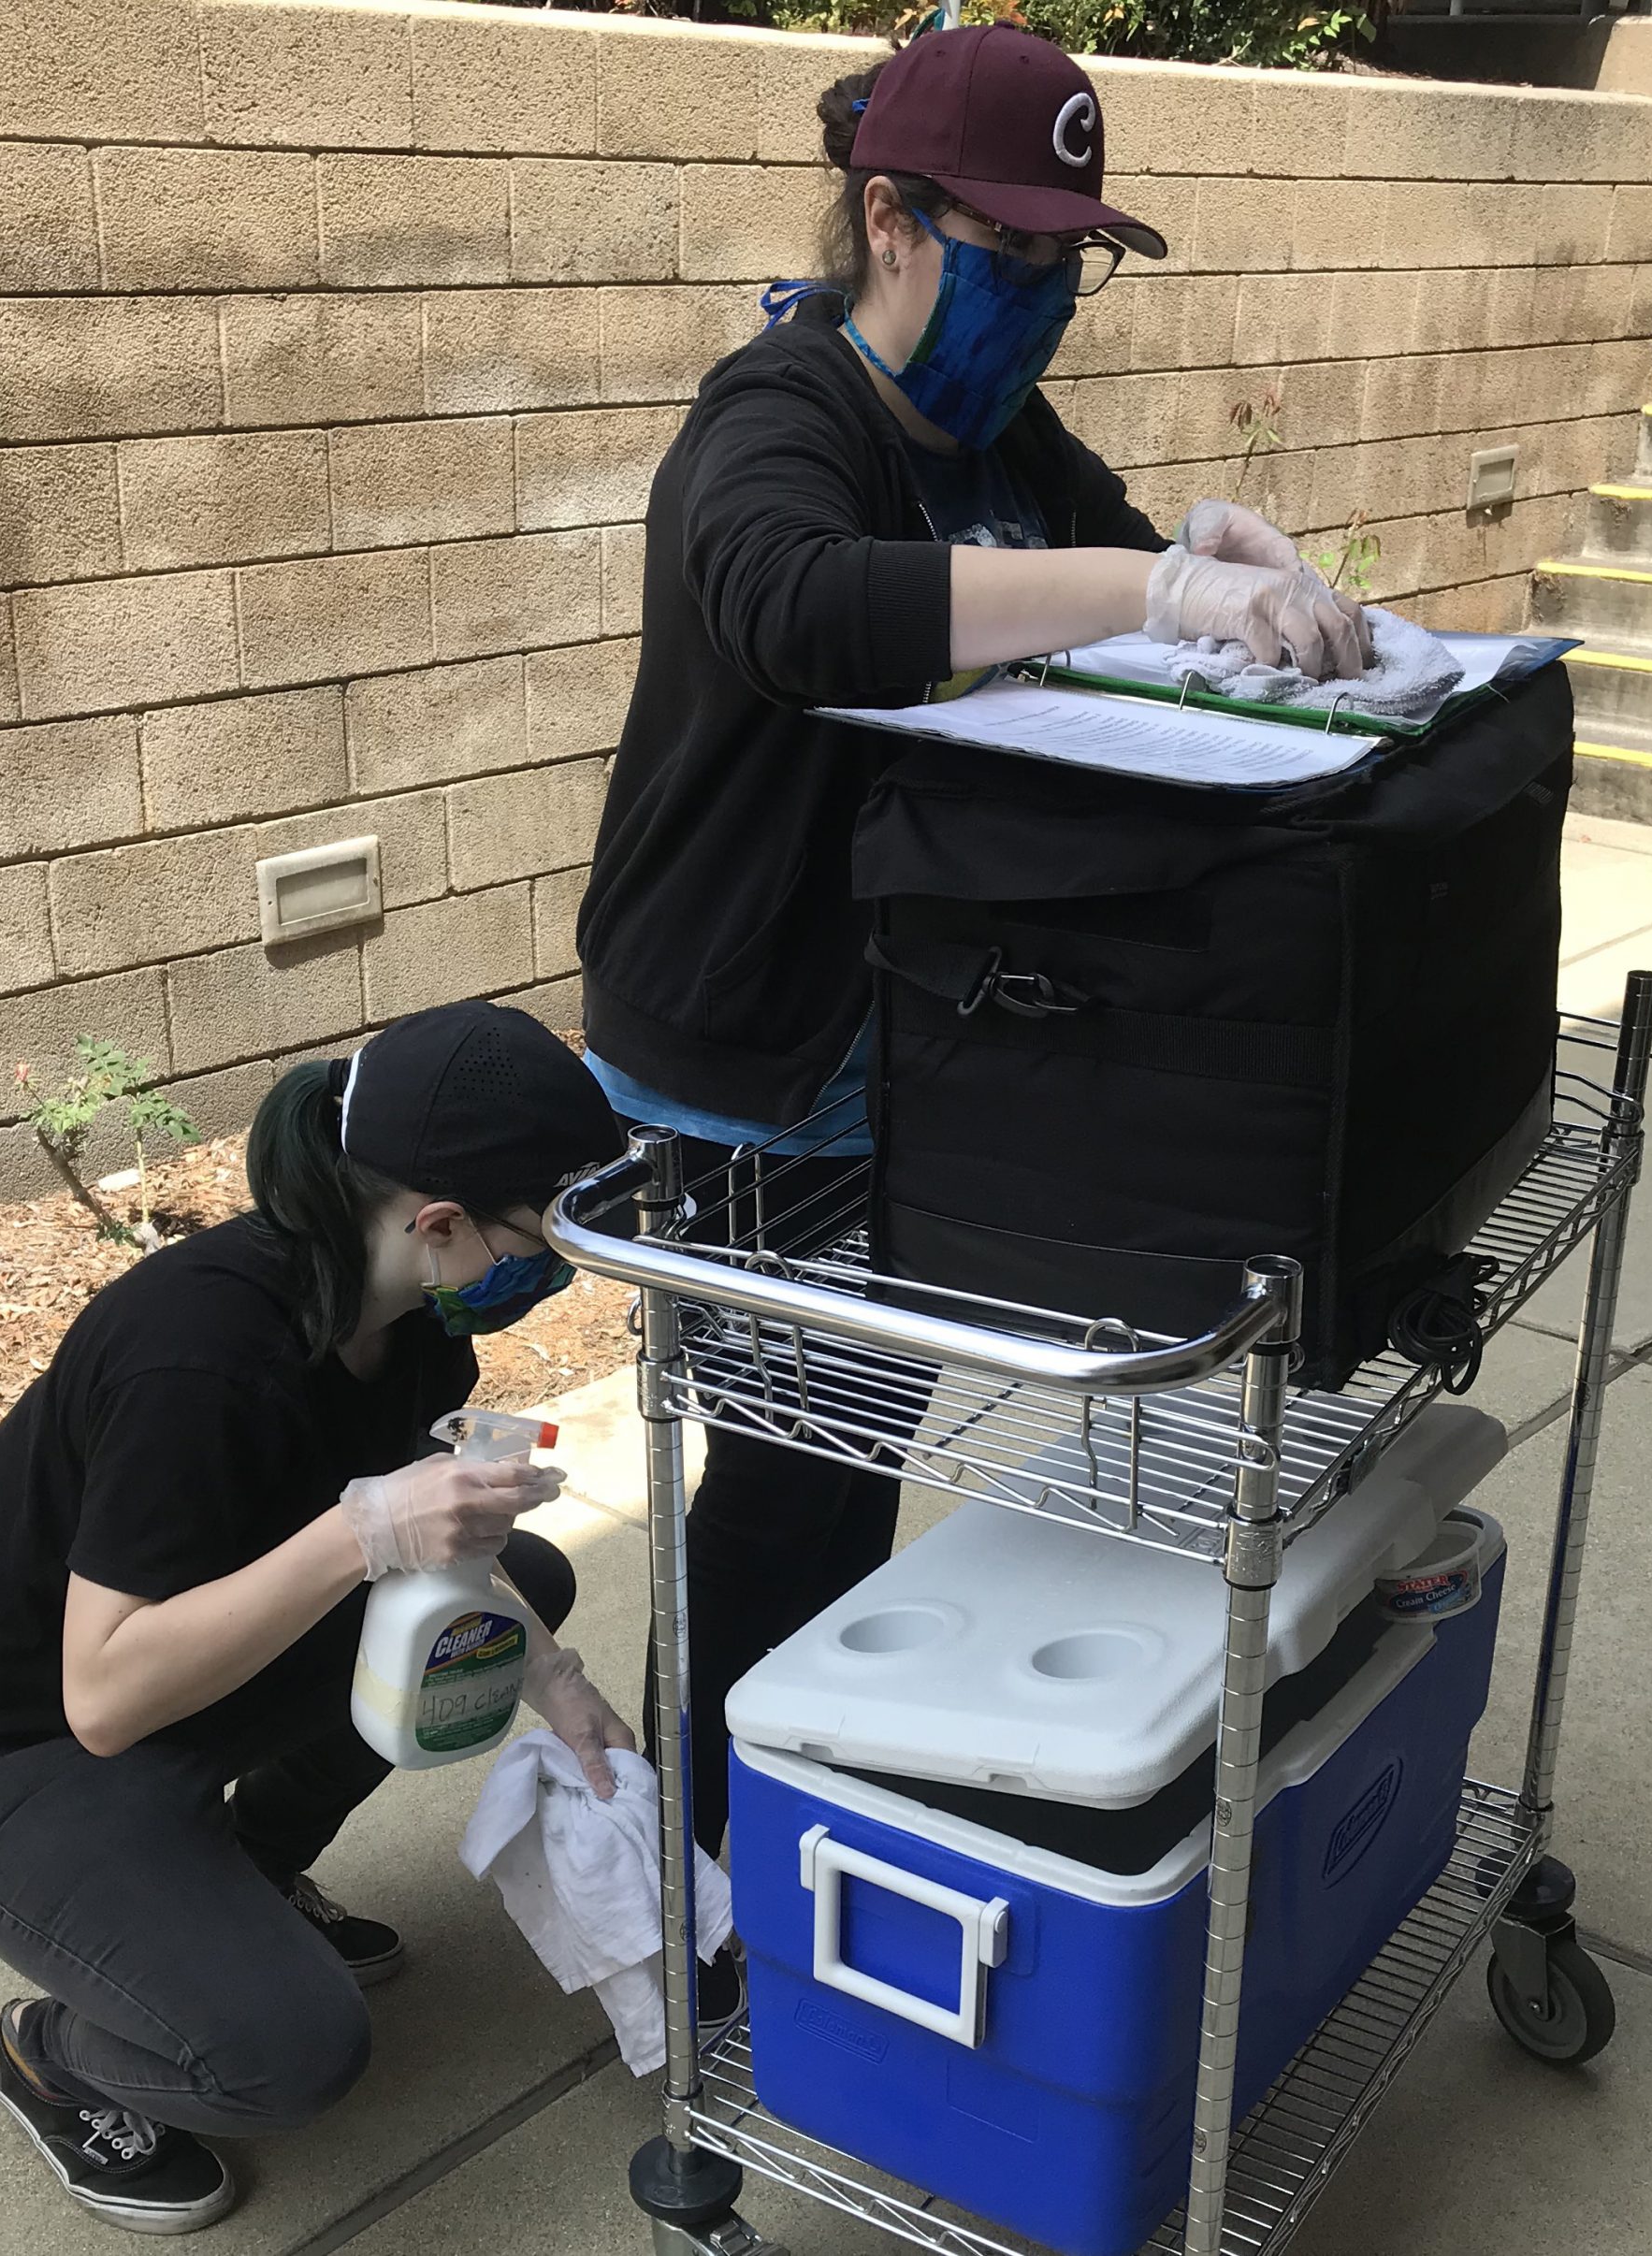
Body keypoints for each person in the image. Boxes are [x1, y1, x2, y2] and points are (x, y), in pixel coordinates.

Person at [576, 22, 1371, 1873]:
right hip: (747, 1039)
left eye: (1065, 266)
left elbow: (1102, 595)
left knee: (848, 1457)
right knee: (784, 1482)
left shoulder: (996, 430)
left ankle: (768, 1794)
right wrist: (1148, 584)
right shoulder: (777, 416)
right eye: (1013, 260)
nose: (1042, 302)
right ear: (891, 218)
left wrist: (1193, 563)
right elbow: (798, 608)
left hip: (907, 1032)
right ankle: (701, 1864)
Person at [0, 1002, 635, 2236]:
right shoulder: (198, 1353)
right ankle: (55, 2050)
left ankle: (251, 1874)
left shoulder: (416, 1335)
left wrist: (562, 1681)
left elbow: (437, 1575)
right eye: (545, 1231)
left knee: (515, 1590)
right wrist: (362, 1532)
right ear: (436, 1223)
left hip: (177, 1676)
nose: (558, 1264)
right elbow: (103, 1697)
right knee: (290, 2053)